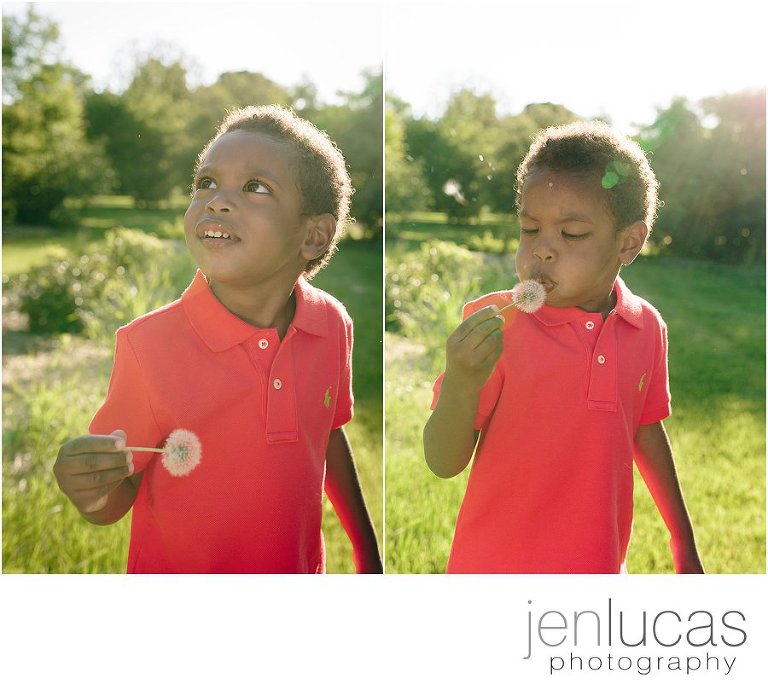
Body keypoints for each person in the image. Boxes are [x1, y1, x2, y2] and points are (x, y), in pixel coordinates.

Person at [54, 105, 382, 574]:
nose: (216, 201)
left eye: (255, 188)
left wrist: (367, 554)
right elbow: (115, 498)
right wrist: (90, 491)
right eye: (206, 183)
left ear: (313, 236)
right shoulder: (147, 347)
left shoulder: (331, 324)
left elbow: (328, 432)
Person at [423, 121, 704, 574]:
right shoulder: (500, 327)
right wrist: (460, 383)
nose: (543, 250)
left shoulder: (645, 327)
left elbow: (646, 429)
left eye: (571, 234)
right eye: (530, 229)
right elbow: (442, 461)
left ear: (628, 243)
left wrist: (683, 542)